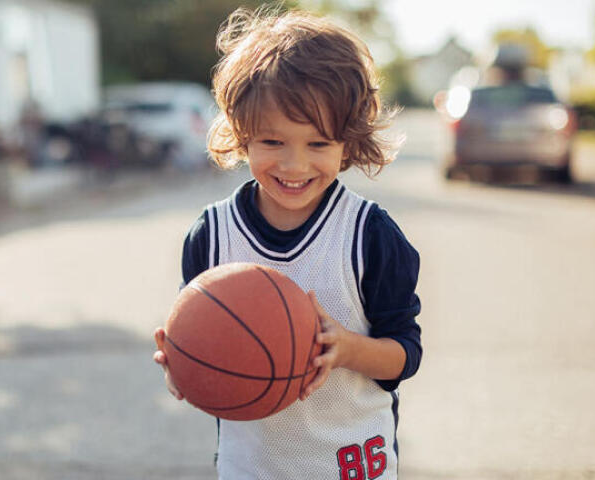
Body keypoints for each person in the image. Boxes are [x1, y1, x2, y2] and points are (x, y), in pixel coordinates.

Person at [153, 6, 422, 479]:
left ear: (348, 143)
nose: (294, 165)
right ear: (241, 135)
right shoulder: (212, 235)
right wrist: (183, 361)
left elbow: (404, 354)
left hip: (351, 465)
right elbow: (203, 340)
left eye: (318, 144)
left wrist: (347, 348)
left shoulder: (368, 235)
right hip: (250, 468)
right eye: (272, 142)